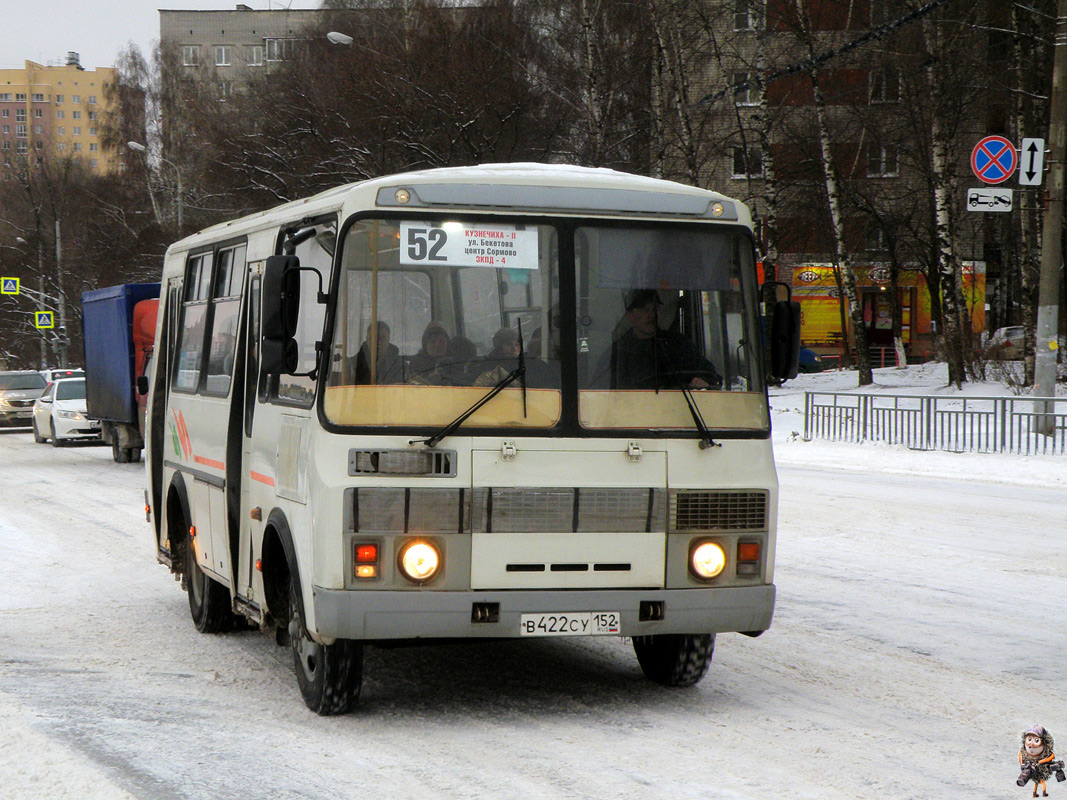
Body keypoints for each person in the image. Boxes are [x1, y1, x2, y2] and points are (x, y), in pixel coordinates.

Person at [599, 289, 722, 390]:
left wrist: (703, 381)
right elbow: (603, 392)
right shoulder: (619, 351)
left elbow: (711, 376)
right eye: (645, 310)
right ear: (629, 316)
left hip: (679, 413)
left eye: (655, 309)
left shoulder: (678, 344)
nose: (652, 315)